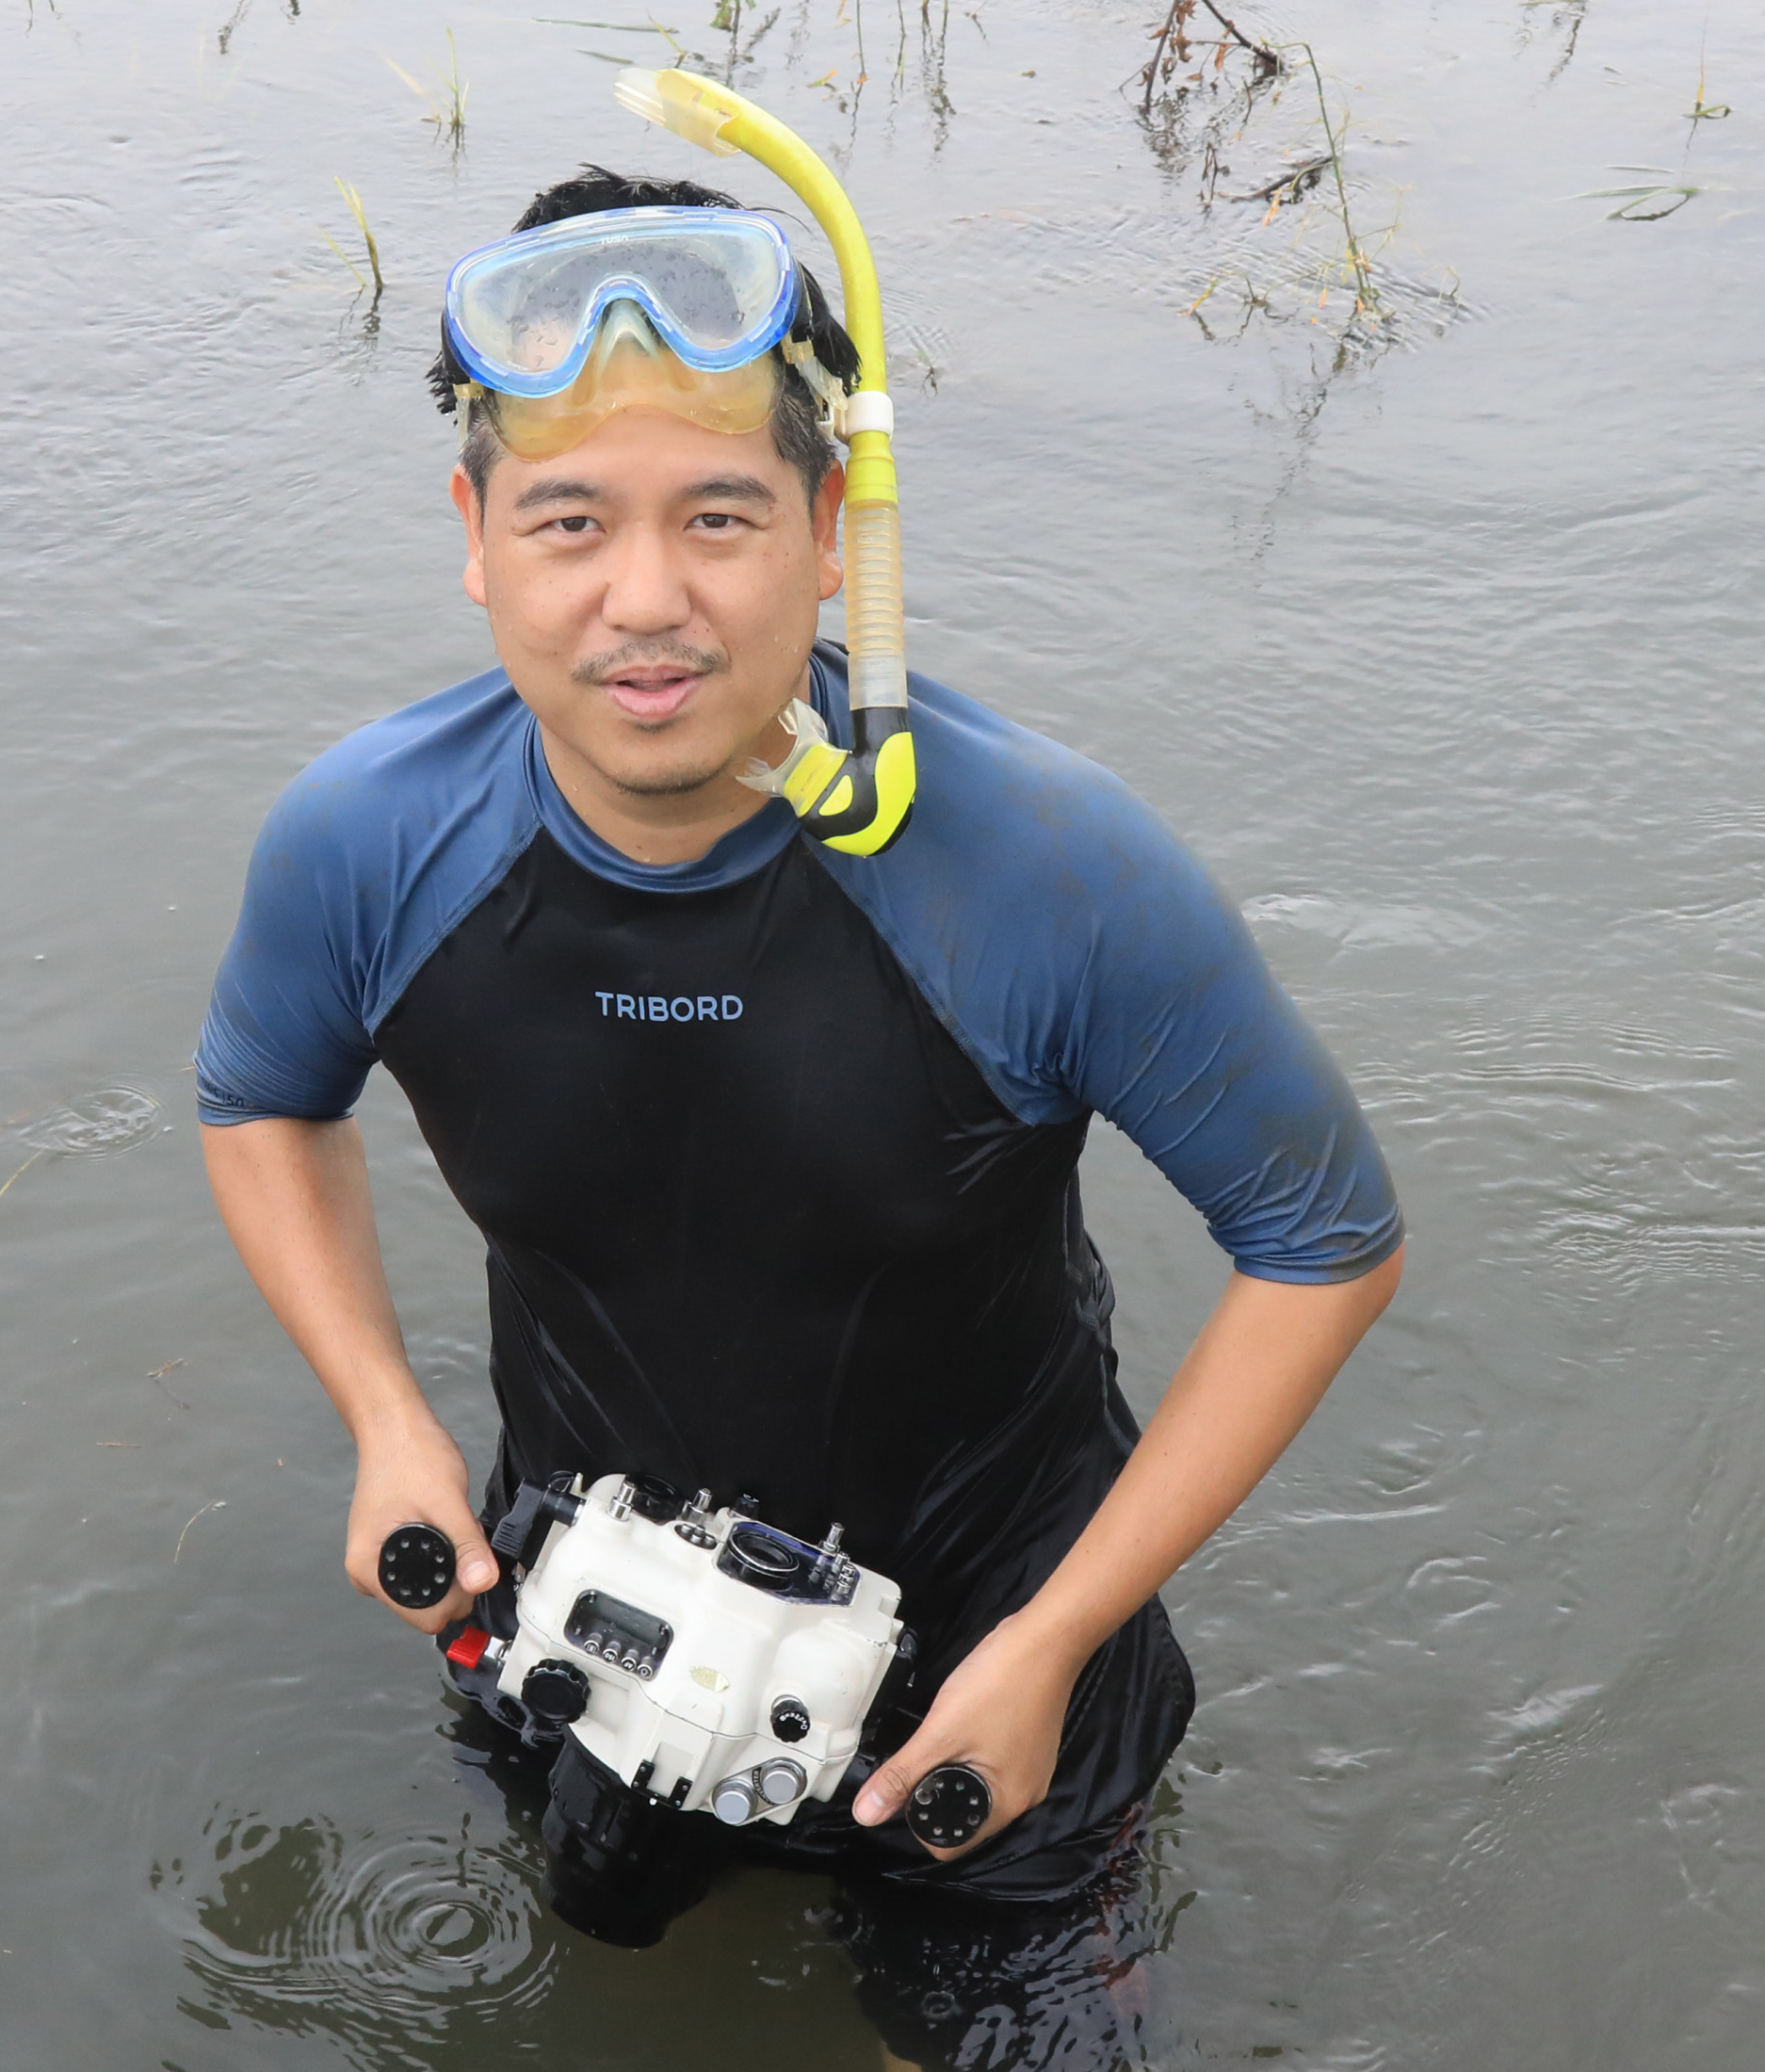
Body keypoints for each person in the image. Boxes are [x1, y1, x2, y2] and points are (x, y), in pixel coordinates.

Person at [196, 164, 1403, 2067]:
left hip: (995, 1701)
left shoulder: (1039, 867)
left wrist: (1049, 1642)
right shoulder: (366, 844)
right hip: (581, 1639)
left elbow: (1322, 1242)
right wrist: (382, 1423)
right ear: (475, 532)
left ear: (832, 526)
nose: (645, 598)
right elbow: (261, 1102)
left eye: (723, 515)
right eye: (570, 519)